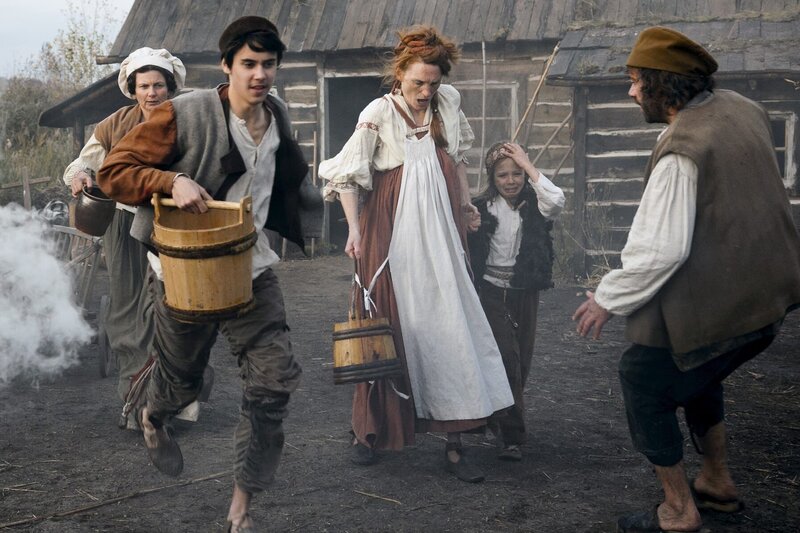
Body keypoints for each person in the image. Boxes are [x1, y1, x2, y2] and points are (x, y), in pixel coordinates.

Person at [572, 26, 800, 533]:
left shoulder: (683, 149)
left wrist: (607, 298)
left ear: (662, 84)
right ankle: (716, 483)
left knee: (642, 377)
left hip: (732, 306)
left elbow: (660, 250)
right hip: (768, 296)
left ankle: (678, 510)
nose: (631, 92)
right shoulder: (740, 107)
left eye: (637, 81)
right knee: (694, 360)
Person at [97, 16, 308, 532]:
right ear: (226, 66)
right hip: (185, 272)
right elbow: (113, 172)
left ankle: (241, 505)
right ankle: (154, 414)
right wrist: (172, 180)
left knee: (273, 384)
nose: (259, 74)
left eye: (268, 64)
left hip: (250, 268)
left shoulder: (277, 115)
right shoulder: (186, 113)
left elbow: (284, 180)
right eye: (248, 64)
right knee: (183, 380)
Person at [319, 25, 514, 484]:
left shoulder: (448, 103)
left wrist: (465, 204)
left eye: (433, 83)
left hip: (441, 230)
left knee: (450, 321)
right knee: (384, 324)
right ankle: (368, 431)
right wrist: (354, 230)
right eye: (417, 83)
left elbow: (458, 159)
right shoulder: (378, 112)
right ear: (399, 74)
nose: (426, 92)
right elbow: (348, 175)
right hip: (391, 229)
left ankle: (456, 439)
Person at [63, 47, 187, 429]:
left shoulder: (187, 120)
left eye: (159, 85)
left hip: (176, 222)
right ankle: (137, 401)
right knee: (127, 308)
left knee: (174, 307)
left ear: (170, 87)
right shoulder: (114, 124)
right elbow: (82, 162)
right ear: (132, 89)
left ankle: (176, 401)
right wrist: (81, 176)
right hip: (124, 222)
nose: (152, 93)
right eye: (144, 86)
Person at [467, 141, 564, 461]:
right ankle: (512, 437)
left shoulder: (535, 204)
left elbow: (557, 200)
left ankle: (497, 417)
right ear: (492, 178)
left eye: (516, 174)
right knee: (507, 360)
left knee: (522, 362)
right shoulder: (481, 208)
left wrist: (528, 165)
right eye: (502, 175)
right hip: (492, 292)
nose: (510, 181)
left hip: (525, 291)